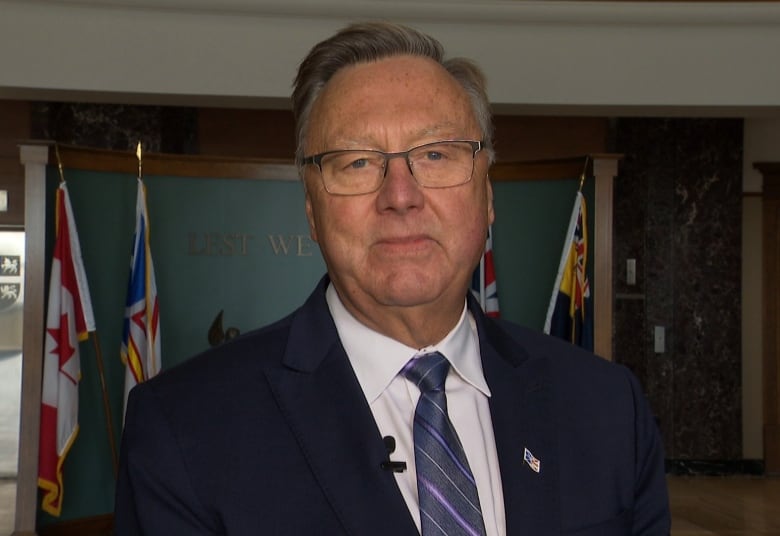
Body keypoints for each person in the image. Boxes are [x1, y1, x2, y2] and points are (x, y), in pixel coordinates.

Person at [115, 21, 670, 535]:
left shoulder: (606, 408)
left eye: (436, 154)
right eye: (356, 162)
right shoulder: (184, 429)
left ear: (487, 195)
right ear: (312, 209)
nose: (400, 196)